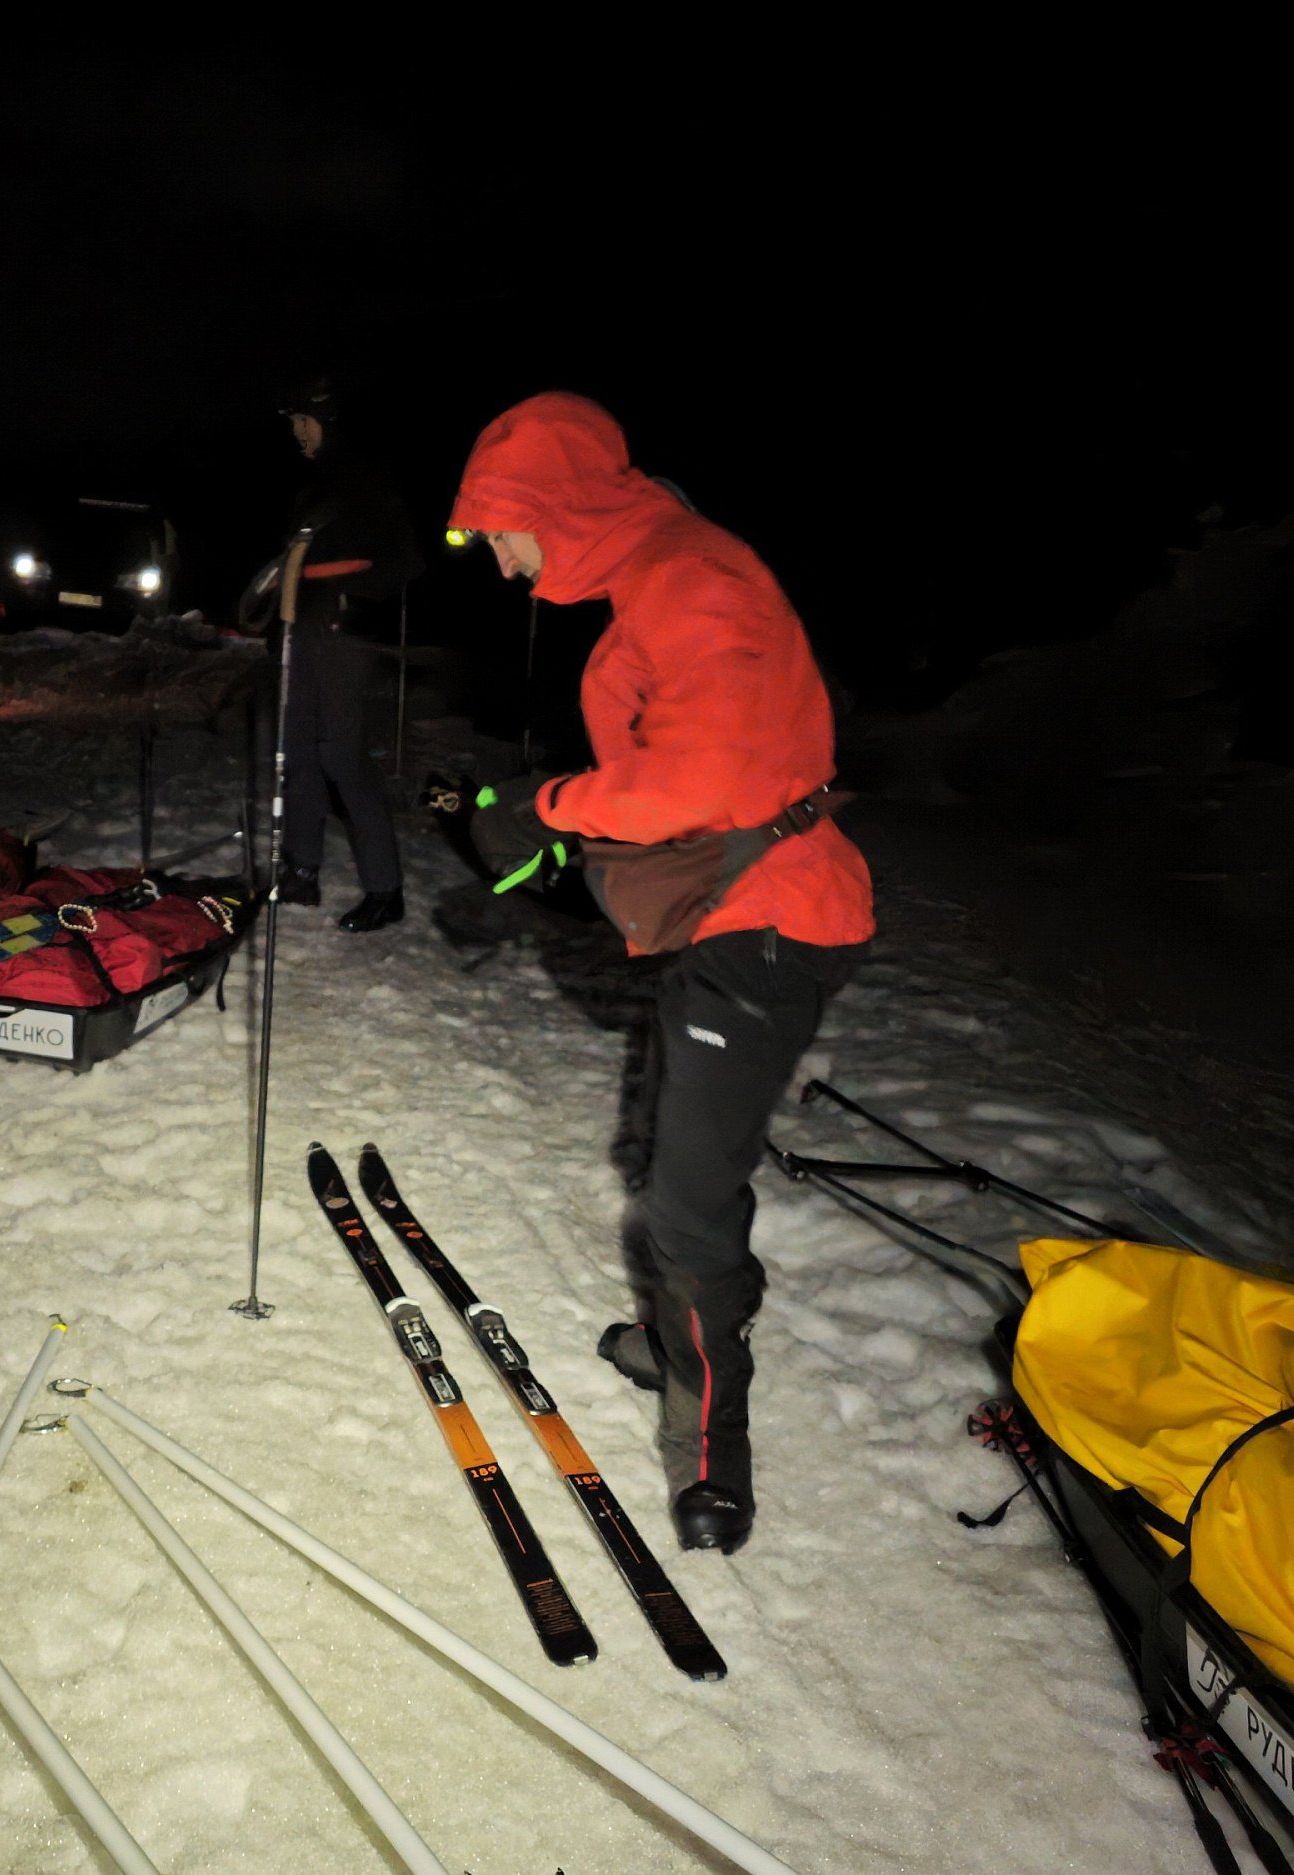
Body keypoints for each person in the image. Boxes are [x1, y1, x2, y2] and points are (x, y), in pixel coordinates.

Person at [451, 393, 874, 1555]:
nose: (497, 559)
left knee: (686, 1198)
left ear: (554, 507)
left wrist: (546, 806)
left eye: (500, 531)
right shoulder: (657, 576)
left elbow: (696, 780)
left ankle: (710, 1448)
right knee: (680, 1154)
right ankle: (683, 1326)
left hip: (771, 922)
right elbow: (678, 767)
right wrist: (551, 835)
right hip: (732, 913)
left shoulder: (693, 577)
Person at [275, 375, 422, 933]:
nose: (297, 432)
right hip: (302, 627)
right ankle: (301, 869)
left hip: (343, 635)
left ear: (329, 422)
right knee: (299, 751)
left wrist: (351, 600)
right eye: (294, 423)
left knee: (340, 754)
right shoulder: (313, 488)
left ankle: (385, 890)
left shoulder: (370, 481)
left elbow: (406, 562)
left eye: (303, 421)